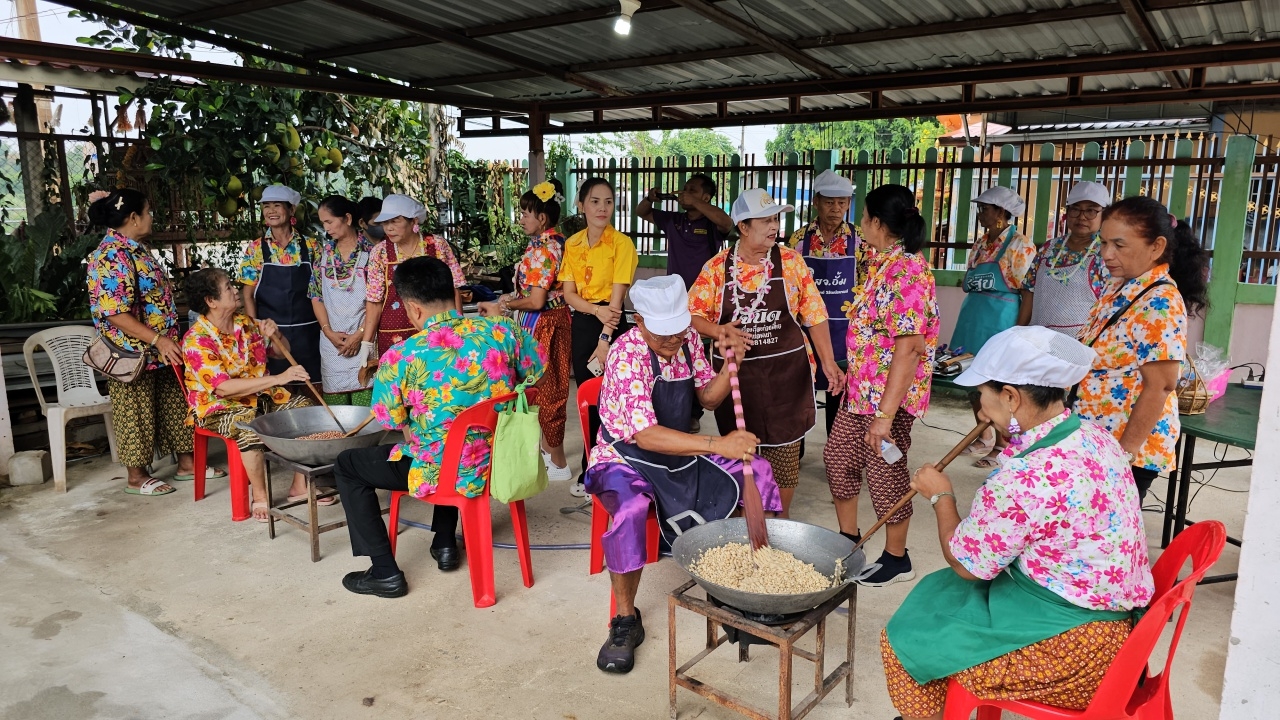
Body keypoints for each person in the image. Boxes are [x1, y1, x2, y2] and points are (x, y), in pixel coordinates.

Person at [880, 325, 1153, 720]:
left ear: (1010, 396)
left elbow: (967, 565)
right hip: (1121, 636)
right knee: (937, 595)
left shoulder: (1022, 479)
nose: (980, 410)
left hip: (1074, 652)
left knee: (906, 641)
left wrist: (941, 495)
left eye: (982, 397)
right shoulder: (1098, 438)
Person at [587, 275, 780, 674]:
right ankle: (625, 622)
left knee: (757, 471)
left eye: (679, 329)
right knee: (628, 510)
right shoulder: (627, 354)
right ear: (639, 321)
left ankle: (749, 591)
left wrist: (731, 368)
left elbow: (707, 397)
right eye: (664, 334)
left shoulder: (686, 337)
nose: (673, 340)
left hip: (678, 453)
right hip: (625, 456)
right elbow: (646, 434)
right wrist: (717, 444)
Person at [333, 257, 544, 598]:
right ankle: (444, 541)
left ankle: (384, 572)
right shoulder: (504, 330)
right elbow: (536, 373)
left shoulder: (402, 355)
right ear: (453, 293)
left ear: (413, 309)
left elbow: (389, 420)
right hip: (501, 461)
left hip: (445, 471)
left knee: (348, 465)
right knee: (450, 441)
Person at [689, 188, 844, 517]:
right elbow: (691, 314)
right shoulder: (717, 268)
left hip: (787, 375)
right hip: (737, 380)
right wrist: (719, 331)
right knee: (742, 451)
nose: (774, 227)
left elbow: (814, 314)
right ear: (743, 227)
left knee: (785, 456)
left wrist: (829, 363)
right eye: (765, 220)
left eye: (776, 219)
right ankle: (750, 514)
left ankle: (781, 519)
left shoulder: (790, 262)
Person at [824, 184, 938, 588]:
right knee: (839, 460)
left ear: (877, 222)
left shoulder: (907, 270)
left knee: (885, 472)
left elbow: (908, 349)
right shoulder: (882, 262)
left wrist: (885, 418)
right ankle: (848, 541)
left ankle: (896, 557)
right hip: (862, 394)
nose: (859, 225)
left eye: (864, 216)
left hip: (888, 401)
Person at [86, 188, 223, 496]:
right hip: (131, 352)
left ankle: (189, 463)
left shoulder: (135, 248)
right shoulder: (111, 256)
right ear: (133, 218)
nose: (151, 217)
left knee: (176, 403)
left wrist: (163, 342)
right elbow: (115, 313)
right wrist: (158, 340)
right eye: (148, 212)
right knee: (134, 411)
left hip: (160, 349)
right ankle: (136, 476)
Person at [1075, 196, 1208, 500]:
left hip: (1125, 448)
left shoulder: (1158, 302)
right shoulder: (1120, 285)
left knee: (1105, 534)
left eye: (1119, 245)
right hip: (1097, 437)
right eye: (1103, 242)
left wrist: (1125, 455)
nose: (1107, 254)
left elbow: (1160, 386)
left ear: (1156, 247)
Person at [183, 268, 318, 522]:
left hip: (263, 396)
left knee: (306, 410)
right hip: (218, 406)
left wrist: (276, 335)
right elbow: (223, 388)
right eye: (228, 288)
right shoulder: (196, 340)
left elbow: (282, 352)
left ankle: (299, 486)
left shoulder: (247, 324)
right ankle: (260, 496)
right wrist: (279, 378)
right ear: (211, 301)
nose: (236, 290)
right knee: (248, 426)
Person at [477, 180, 574, 482]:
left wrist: (505, 306)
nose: (521, 219)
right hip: (551, 320)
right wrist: (508, 300)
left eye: (525, 213)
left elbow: (535, 300)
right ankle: (548, 453)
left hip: (544, 323)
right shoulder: (555, 242)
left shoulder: (542, 250)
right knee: (547, 386)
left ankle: (557, 461)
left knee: (546, 389)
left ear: (542, 218)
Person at [558, 177, 639, 497]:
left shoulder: (622, 244)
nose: (602, 208)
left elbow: (617, 302)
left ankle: (617, 465)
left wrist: (605, 339)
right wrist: (594, 311)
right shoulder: (573, 244)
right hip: (585, 321)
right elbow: (568, 294)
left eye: (608, 201)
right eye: (595, 201)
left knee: (615, 398)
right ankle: (590, 466)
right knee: (588, 398)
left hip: (614, 325)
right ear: (581, 205)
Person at [951, 185, 1035, 468]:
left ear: (1002, 212)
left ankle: (1003, 444)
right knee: (970, 378)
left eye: (985, 208)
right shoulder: (980, 243)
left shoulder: (1020, 245)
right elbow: (967, 280)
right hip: (973, 316)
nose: (981, 213)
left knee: (997, 383)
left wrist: (1019, 330)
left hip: (1000, 318)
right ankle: (982, 434)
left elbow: (1027, 291)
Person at [789, 169, 863, 435]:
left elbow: (868, 284)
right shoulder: (798, 240)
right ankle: (796, 448)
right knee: (801, 391)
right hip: (807, 330)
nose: (836, 208)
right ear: (816, 202)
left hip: (845, 331)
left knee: (839, 391)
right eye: (830, 202)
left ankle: (835, 449)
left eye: (842, 202)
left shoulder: (860, 239)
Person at [358, 194, 466, 366]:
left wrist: (459, 328)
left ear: (414, 221)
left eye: (395, 221)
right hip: (393, 335)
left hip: (438, 332)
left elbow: (453, 290)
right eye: (385, 223)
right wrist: (367, 343)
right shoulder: (379, 252)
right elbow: (374, 301)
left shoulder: (437, 245)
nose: (389, 228)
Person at [237, 185, 323, 384]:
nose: (271, 211)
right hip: (272, 337)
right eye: (266, 206)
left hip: (310, 335)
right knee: (278, 393)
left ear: (291, 210)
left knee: (311, 391)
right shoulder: (256, 248)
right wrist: (255, 331)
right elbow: (248, 295)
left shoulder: (311, 246)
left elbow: (321, 293)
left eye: (277, 205)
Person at [1018, 182, 1112, 336]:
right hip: (1038, 342)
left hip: (1080, 345)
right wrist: (1018, 331)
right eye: (1075, 209)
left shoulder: (1105, 253)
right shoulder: (1048, 248)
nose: (1082, 217)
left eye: (1091, 211)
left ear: (1104, 215)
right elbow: (1029, 291)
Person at [309, 195, 375, 405]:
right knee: (337, 419)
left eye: (329, 221)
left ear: (347, 218)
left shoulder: (372, 254)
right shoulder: (323, 255)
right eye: (323, 223)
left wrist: (360, 334)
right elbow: (316, 295)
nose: (326, 228)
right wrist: (328, 331)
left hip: (365, 341)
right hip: (332, 345)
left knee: (365, 416)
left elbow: (377, 300)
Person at [635, 173, 733, 290]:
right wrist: (649, 199)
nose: (685, 193)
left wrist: (694, 201)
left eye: (692, 191)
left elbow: (727, 223)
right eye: (685, 189)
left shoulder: (713, 223)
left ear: (706, 198)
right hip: (674, 293)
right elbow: (641, 212)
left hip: (704, 294)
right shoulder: (673, 220)